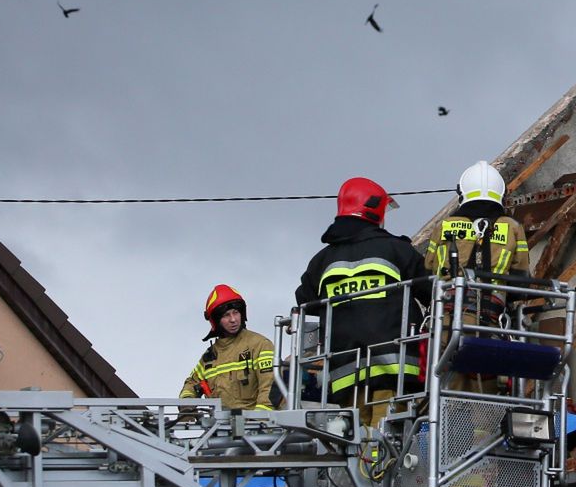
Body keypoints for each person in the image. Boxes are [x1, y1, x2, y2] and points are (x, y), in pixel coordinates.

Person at [295, 176, 429, 427]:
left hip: (346, 373)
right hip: (392, 370)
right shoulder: (396, 250)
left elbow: (305, 299)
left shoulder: (321, 261)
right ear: (374, 208)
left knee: (356, 445)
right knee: (389, 440)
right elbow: (431, 290)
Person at [425, 161, 531, 393]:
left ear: (462, 194)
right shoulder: (512, 227)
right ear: (500, 195)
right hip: (492, 323)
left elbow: (430, 269)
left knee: (449, 390)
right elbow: (521, 280)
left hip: (447, 324)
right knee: (486, 395)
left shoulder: (444, 227)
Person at [179, 283, 276, 411]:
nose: (233, 319)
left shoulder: (260, 345)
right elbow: (191, 383)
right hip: (220, 428)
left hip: (256, 426)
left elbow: (269, 388)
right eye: (226, 315)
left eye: (235, 313)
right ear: (216, 321)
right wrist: (187, 405)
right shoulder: (209, 358)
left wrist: (258, 422)